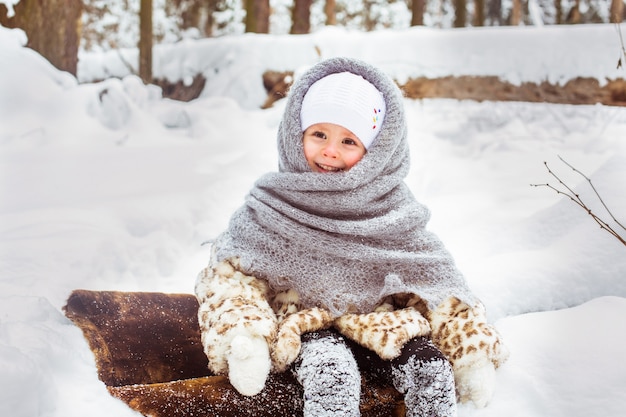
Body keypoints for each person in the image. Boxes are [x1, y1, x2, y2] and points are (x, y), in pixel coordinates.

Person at [195, 57, 508, 417]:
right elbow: (232, 282)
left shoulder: (391, 211)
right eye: (319, 135)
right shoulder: (271, 208)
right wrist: (243, 336)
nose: (330, 150)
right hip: (305, 324)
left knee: (431, 370)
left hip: (380, 323)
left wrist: (470, 351)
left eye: (348, 140)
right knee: (332, 376)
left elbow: (436, 286)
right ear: (296, 136)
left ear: (375, 152)